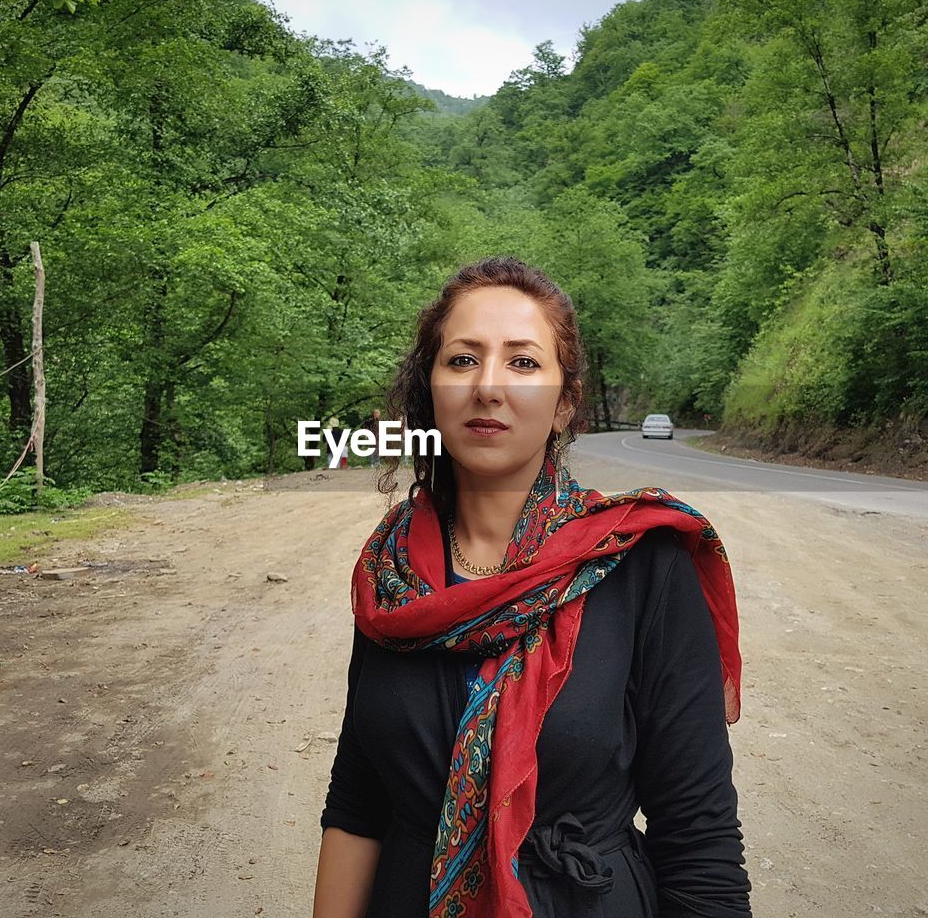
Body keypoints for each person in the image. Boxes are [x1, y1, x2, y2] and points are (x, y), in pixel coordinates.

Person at [312, 256, 750, 918]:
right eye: (461, 360)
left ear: (565, 402)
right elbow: (359, 799)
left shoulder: (641, 566)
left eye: (522, 363)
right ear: (430, 391)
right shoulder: (393, 574)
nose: (488, 386)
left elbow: (698, 835)